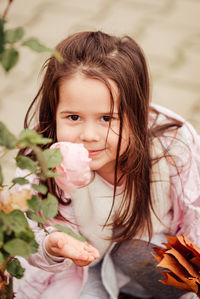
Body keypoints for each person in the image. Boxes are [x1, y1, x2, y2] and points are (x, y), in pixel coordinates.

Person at [14, 31, 200, 299]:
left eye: (107, 118)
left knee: (135, 252)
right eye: (74, 117)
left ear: (136, 113)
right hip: (87, 265)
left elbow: (195, 220)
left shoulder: (172, 148)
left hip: (157, 253)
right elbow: (31, 231)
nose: (89, 135)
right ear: (53, 113)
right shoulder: (44, 160)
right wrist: (51, 244)